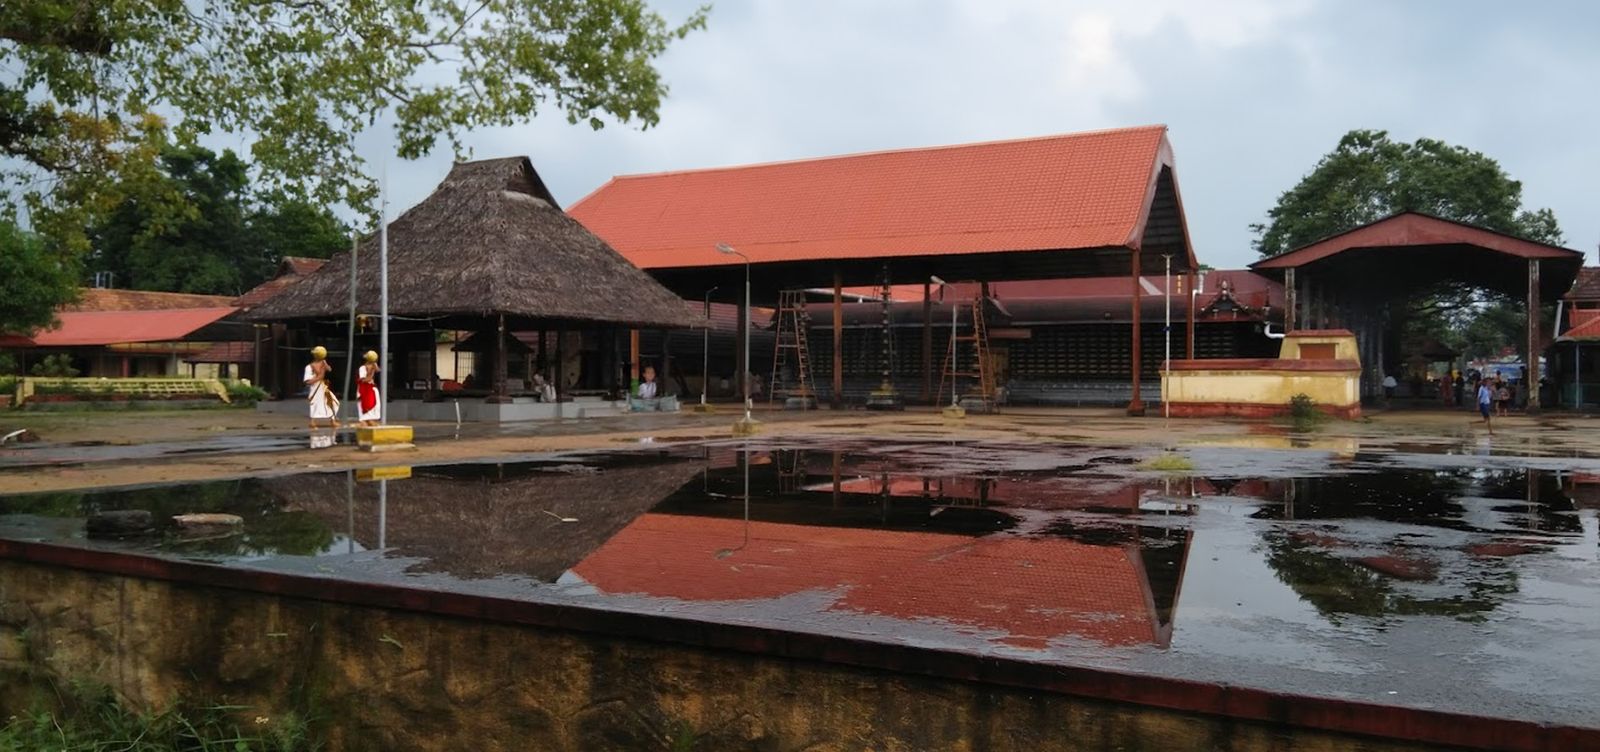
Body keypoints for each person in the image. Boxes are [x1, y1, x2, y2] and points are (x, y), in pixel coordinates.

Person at [304, 346, 340, 430]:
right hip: (315, 388)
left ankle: (332, 420)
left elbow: (329, 369)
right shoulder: (309, 367)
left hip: (323, 387)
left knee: (333, 402)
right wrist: (318, 377)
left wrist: (325, 365)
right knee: (315, 404)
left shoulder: (323, 363)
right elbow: (307, 381)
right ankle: (313, 422)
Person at [357, 350, 381, 426]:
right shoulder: (362, 368)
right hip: (364, 390)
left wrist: (374, 368)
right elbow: (364, 380)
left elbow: (378, 370)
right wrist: (372, 371)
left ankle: (370, 419)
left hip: (371, 389)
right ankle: (364, 420)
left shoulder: (373, 366)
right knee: (365, 405)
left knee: (375, 404)